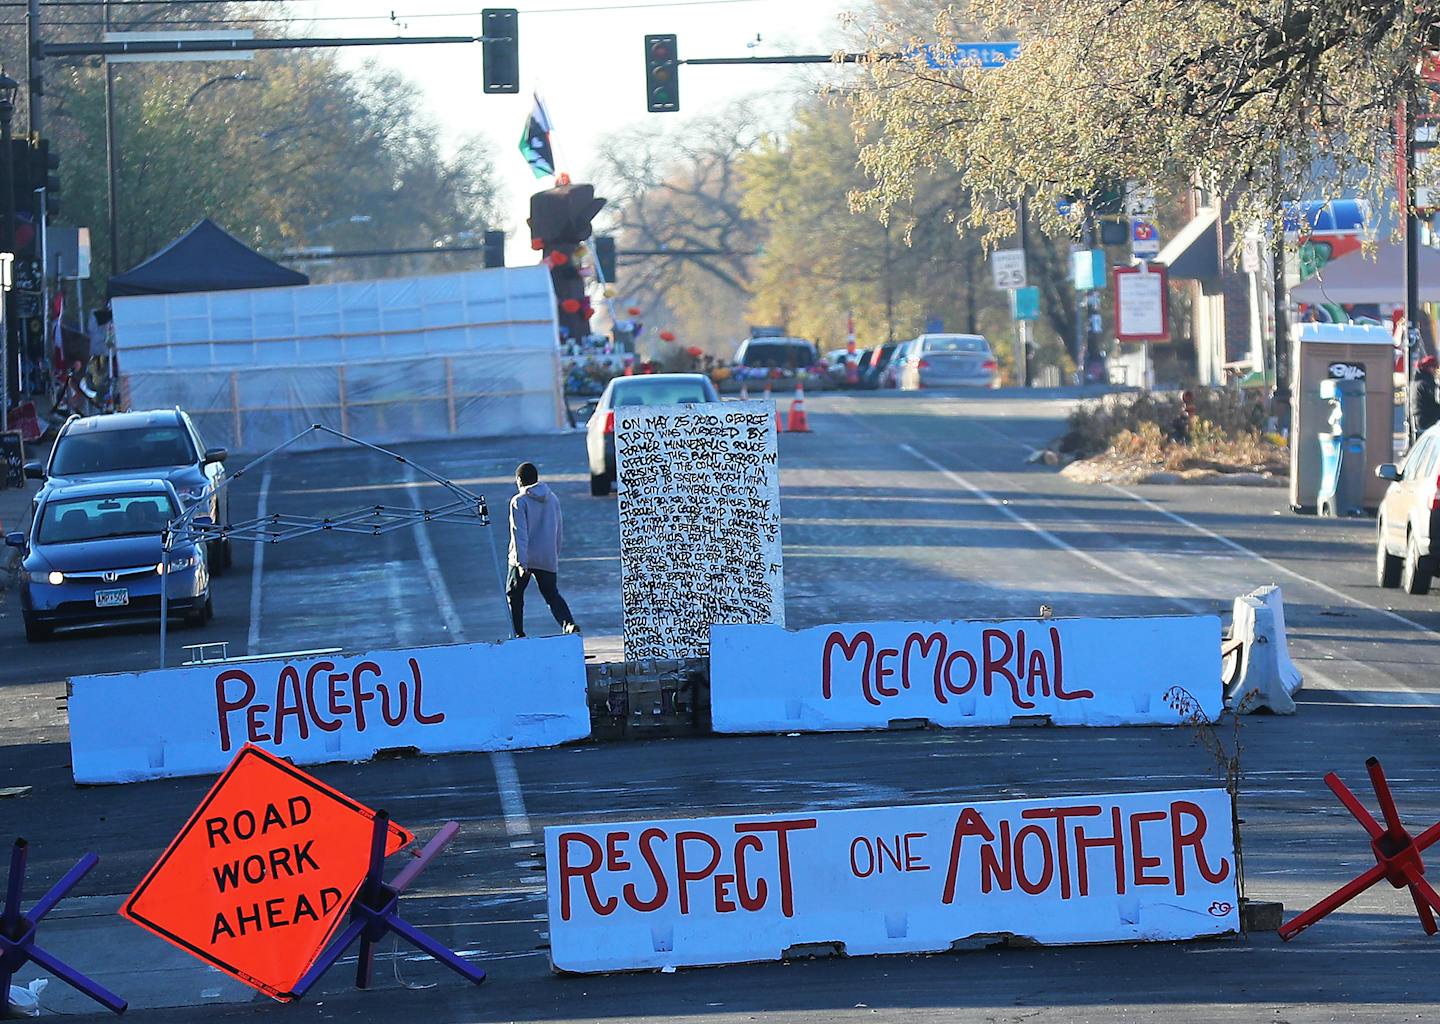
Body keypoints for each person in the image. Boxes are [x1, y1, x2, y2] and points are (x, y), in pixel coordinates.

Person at [506, 462, 579, 639]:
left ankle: (518, 633)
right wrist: (554, 555)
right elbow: (558, 530)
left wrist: (522, 563)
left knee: (514, 594)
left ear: (519, 480)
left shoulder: (519, 501)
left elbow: (519, 533)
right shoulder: (552, 498)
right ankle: (568, 625)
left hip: (524, 558)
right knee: (551, 594)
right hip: (547, 556)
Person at [1411, 355, 1440, 438]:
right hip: (1428, 419)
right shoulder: (1425, 383)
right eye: (1434, 367)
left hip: (1421, 419)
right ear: (1427, 367)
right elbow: (1437, 396)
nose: (1435, 370)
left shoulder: (1417, 381)